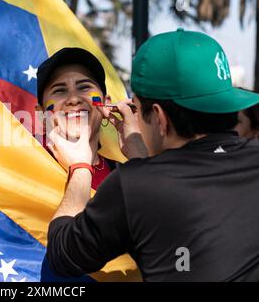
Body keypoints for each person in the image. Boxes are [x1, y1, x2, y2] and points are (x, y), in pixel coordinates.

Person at [46, 29, 259, 281]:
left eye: (135, 108)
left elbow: (64, 254)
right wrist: (140, 159)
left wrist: (81, 166)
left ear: (158, 117)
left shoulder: (135, 184)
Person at [35, 48, 145, 281]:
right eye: (59, 90)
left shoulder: (128, 176)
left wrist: (142, 162)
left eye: (84, 87)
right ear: (40, 114)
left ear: (105, 105)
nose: (74, 98)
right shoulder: (23, 169)